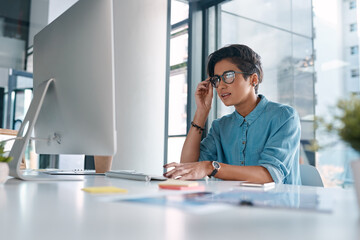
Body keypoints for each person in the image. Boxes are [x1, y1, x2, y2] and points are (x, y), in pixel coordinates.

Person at [164, 44, 301, 184]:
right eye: (217, 79)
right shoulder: (220, 126)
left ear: (253, 79)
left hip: (279, 204)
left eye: (228, 76)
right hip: (232, 203)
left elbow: (269, 175)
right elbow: (188, 167)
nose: (221, 85)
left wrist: (211, 167)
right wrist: (201, 112)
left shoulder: (284, 117)